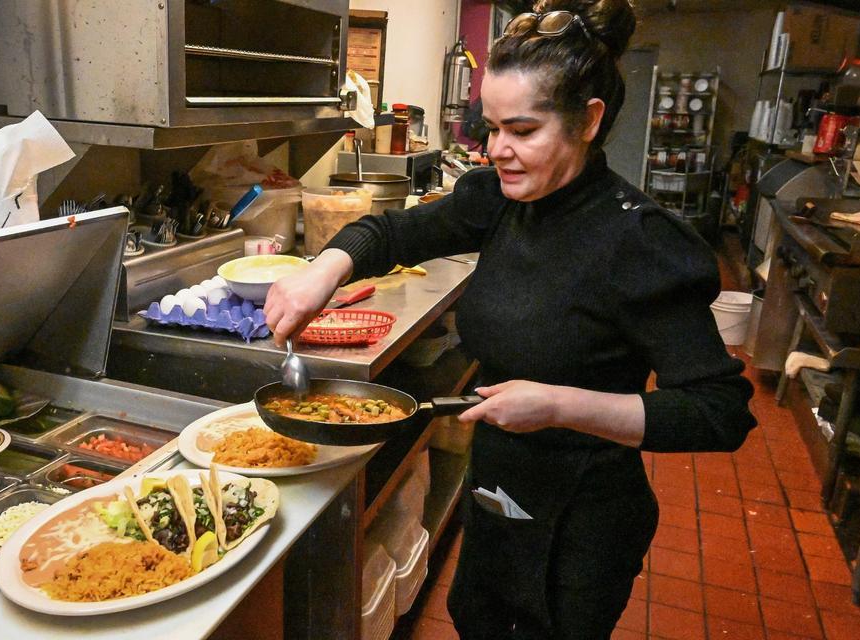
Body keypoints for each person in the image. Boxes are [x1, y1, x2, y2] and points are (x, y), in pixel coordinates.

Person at [264, 0, 756, 636]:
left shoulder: (639, 244)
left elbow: (719, 411)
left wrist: (557, 404)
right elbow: (394, 232)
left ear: (589, 122)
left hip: (581, 517)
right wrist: (320, 272)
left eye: (523, 131)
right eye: (490, 129)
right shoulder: (500, 199)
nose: (498, 150)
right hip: (498, 487)